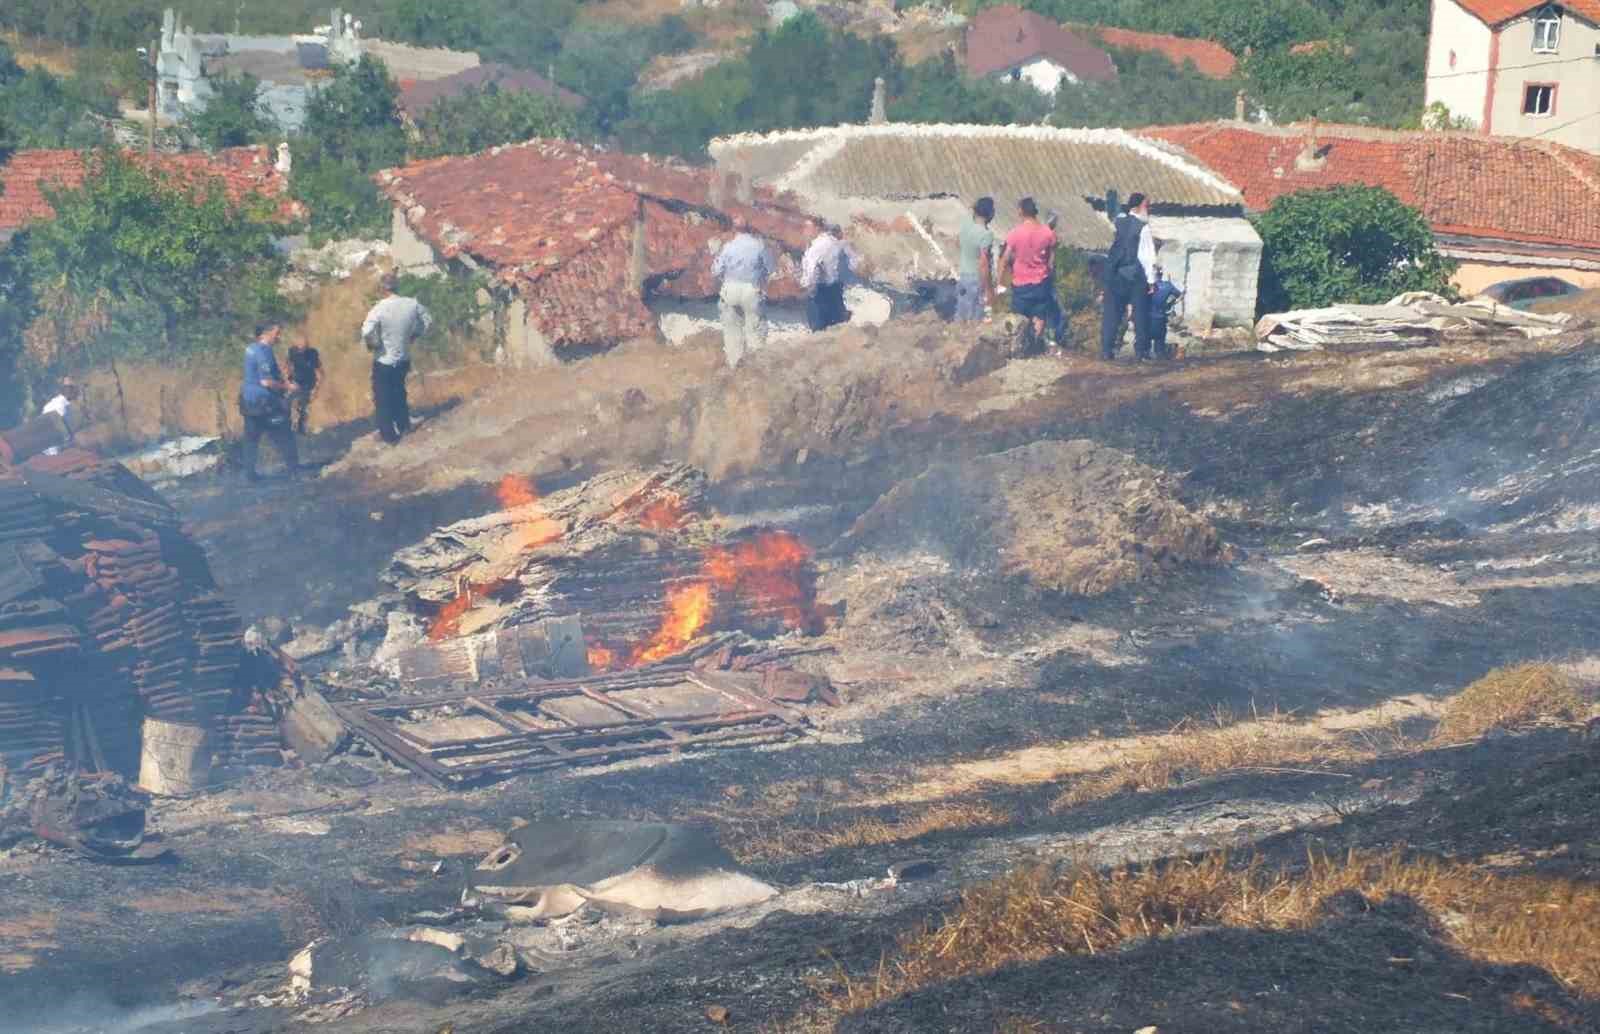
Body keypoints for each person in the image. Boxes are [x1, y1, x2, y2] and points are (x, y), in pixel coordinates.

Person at [361, 271, 432, 444]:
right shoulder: (412, 304)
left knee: (383, 397)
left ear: (382, 289)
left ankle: (389, 437)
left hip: (384, 360)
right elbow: (428, 320)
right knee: (399, 391)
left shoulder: (378, 309)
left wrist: (374, 344)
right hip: (403, 359)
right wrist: (415, 334)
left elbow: (367, 331)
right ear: (397, 286)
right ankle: (404, 425)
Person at [1100, 192, 1158, 361]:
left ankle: (1106, 350)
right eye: (1147, 206)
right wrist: (1152, 281)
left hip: (1116, 275)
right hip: (1136, 277)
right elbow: (1148, 256)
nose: (1148, 209)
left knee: (1112, 314)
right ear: (1139, 207)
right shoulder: (1143, 227)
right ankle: (1141, 352)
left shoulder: (1118, 221)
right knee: (1140, 314)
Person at [238, 321, 299, 481]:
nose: (279, 336)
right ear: (266, 333)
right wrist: (287, 386)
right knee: (284, 434)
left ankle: (249, 475)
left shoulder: (251, 348)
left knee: (251, 438)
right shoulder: (263, 352)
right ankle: (294, 472)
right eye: (277, 333)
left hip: (248, 400)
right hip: (263, 402)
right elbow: (266, 382)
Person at [711, 224, 774, 368]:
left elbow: (716, 271)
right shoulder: (760, 246)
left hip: (730, 289)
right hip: (751, 289)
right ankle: (757, 368)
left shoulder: (728, 247)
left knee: (732, 331)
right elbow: (771, 269)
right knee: (755, 330)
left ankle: (734, 367)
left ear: (734, 230)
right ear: (751, 230)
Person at [1000, 197, 1057, 349]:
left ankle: (1018, 348)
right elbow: (1051, 262)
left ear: (1021, 211)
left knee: (1019, 318)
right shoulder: (1048, 233)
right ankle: (1034, 346)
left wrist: (999, 281)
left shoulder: (1014, 233)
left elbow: (1005, 259)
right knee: (1039, 317)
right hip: (1041, 282)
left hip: (1020, 284)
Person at [801, 218, 854, 332]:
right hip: (836, 289)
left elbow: (811, 272)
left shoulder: (816, 248)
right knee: (837, 327)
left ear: (816, 228)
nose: (804, 231)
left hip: (820, 292)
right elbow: (851, 265)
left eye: (807, 228)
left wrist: (806, 289)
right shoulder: (837, 243)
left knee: (819, 330)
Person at [955, 197, 996, 322]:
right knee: (975, 320)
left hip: (962, 276)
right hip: (976, 279)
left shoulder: (966, 225)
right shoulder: (986, 234)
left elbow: (957, 243)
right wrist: (988, 288)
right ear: (990, 213)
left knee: (961, 317)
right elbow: (983, 263)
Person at [286, 337, 323, 435]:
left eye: (304, 346)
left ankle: (301, 429)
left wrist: (316, 389)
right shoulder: (292, 351)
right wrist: (288, 380)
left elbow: (320, 372)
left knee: (303, 407)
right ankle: (287, 427)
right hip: (295, 382)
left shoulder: (312, 354)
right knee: (287, 403)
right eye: (299, 346)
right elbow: (288, 365)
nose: (301, 349)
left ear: (307, 345)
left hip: (308, 383)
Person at [40, 379, 83, 455]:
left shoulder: (54, 403)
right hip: (52, 450)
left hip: (48, 448)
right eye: (74, 390)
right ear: (67, 390)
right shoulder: (61, 405)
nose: (76, 393)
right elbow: (58, 426)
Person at [1149, 267, 1184, 360]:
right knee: (1160, 339)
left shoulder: (1148, 285)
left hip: (1148, 317)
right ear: (1161, 275)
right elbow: (1180, 295)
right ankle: (1159, 355)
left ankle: (1144, 355)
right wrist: (1171, 303)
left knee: (1146, 338)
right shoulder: (1168, 285)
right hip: (1161, 317)